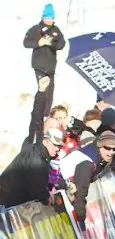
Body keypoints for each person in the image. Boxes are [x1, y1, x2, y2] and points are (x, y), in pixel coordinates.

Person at [23, 3, 66, 141]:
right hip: (39, 65)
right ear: (43, 17)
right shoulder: (36, 29)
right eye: (48, 17)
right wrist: (39, 43)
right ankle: (38, 119)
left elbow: (61, 44)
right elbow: (26, 42)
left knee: (50, 92)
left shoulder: (56, 30)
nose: (50, 20)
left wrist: (51, 43)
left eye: (52, 17)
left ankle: (46, 115)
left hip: (51, 66)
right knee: (44, 90)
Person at [0, 128, 63, 208]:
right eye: (55, 145)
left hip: (7, 195)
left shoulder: (36, 150)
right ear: (45, 141)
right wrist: (47, 196)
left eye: (59, 146)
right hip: (10, 200)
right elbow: (38, 189)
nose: (57, 149)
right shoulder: (38, 160)